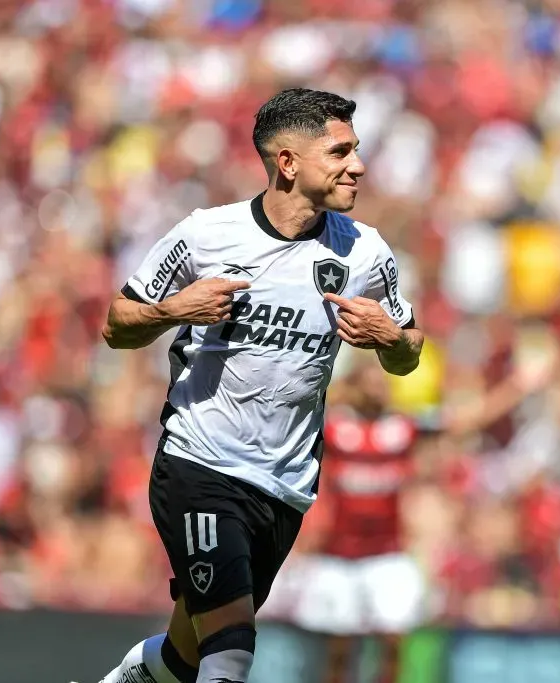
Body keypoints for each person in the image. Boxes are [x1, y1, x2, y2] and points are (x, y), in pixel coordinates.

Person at [96, 88, 424, 683]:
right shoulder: (206, 236)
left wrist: (391, 339)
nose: (359, 164)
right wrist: (176, 308)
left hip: (285, 488)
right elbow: (117, 325)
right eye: (341, 151)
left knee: (186, 653)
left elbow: (408, 356)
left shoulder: (366, 253)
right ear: (288, 162)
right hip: (203, 466)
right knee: (232, 650)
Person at [291, 359, 426, 683]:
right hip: (339, 556)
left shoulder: (402, 428)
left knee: (393, 642)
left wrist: (517, 387)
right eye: (371, 382)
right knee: (340, 649)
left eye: (382, 382)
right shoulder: (336, 428)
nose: (380, 389)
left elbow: (461, 421)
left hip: (387, 553)